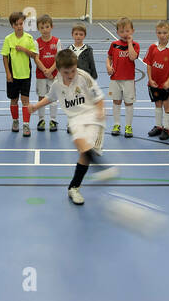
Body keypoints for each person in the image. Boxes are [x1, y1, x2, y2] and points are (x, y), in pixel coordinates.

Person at [27, 49, 117, 205]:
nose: (70, 74)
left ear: (76, 66)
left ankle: (74, 187)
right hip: (75, 119)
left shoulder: (83, 77)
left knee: (85, 154)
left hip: (92, 117)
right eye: (66, 72)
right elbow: (50, 97)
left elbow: (99, 96)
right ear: (59, 70)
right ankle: (102, 169)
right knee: (81, 146)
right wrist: (35, 106)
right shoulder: (57, 84)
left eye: (73, 70)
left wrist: (101, 110)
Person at [1, 11, 38, 137]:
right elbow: (5, 57)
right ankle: (15, 121)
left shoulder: (28, 38)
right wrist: (8, 73)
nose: (19, 26)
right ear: (12, 25)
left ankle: (26, 124)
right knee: (14, 100)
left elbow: (33, 55)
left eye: (21, 24)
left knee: (25, 100)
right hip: (13, 75)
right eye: (16, 24)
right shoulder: (8, 39)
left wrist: (24, 49)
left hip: (25, 75)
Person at [143, 20, 169, 140]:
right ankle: (158, 126)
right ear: (156, 33)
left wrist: (168, 80)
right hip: (154, 83)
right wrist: (150, 79)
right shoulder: (152, 47)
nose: (162, 35)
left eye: (164, 32)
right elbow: (149, 64)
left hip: (165, 85)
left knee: (167, 106)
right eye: (159, 32)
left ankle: (167, 129)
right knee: (157, 104)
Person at [106, 18, 140, 138]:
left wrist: (130, 43)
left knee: (128, 103)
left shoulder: (135, 45)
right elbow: (109, 57)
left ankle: (128, 126)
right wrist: (108, 67)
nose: (125, 34)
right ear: (117, 33)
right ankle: (116, 124)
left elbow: (132, 57)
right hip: (115, 79)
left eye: (127, 31)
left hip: (128, 79)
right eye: (122, 31)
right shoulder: (114, 45)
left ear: (132, 31)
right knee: (116, 101)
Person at [34, 15, 60, 132]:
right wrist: (45, 70)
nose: (45, 29)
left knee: (53, 97)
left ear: (51, 27)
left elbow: (59, 58)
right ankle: (41, 119)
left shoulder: (57, 41)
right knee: (41, 96)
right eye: (42, 27)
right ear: (39, 29)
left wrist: (50, 70)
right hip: (41, 75)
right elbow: (36, 58)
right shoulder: (36, 42)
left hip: (54, 75)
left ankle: (53, 120)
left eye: (47, 27)